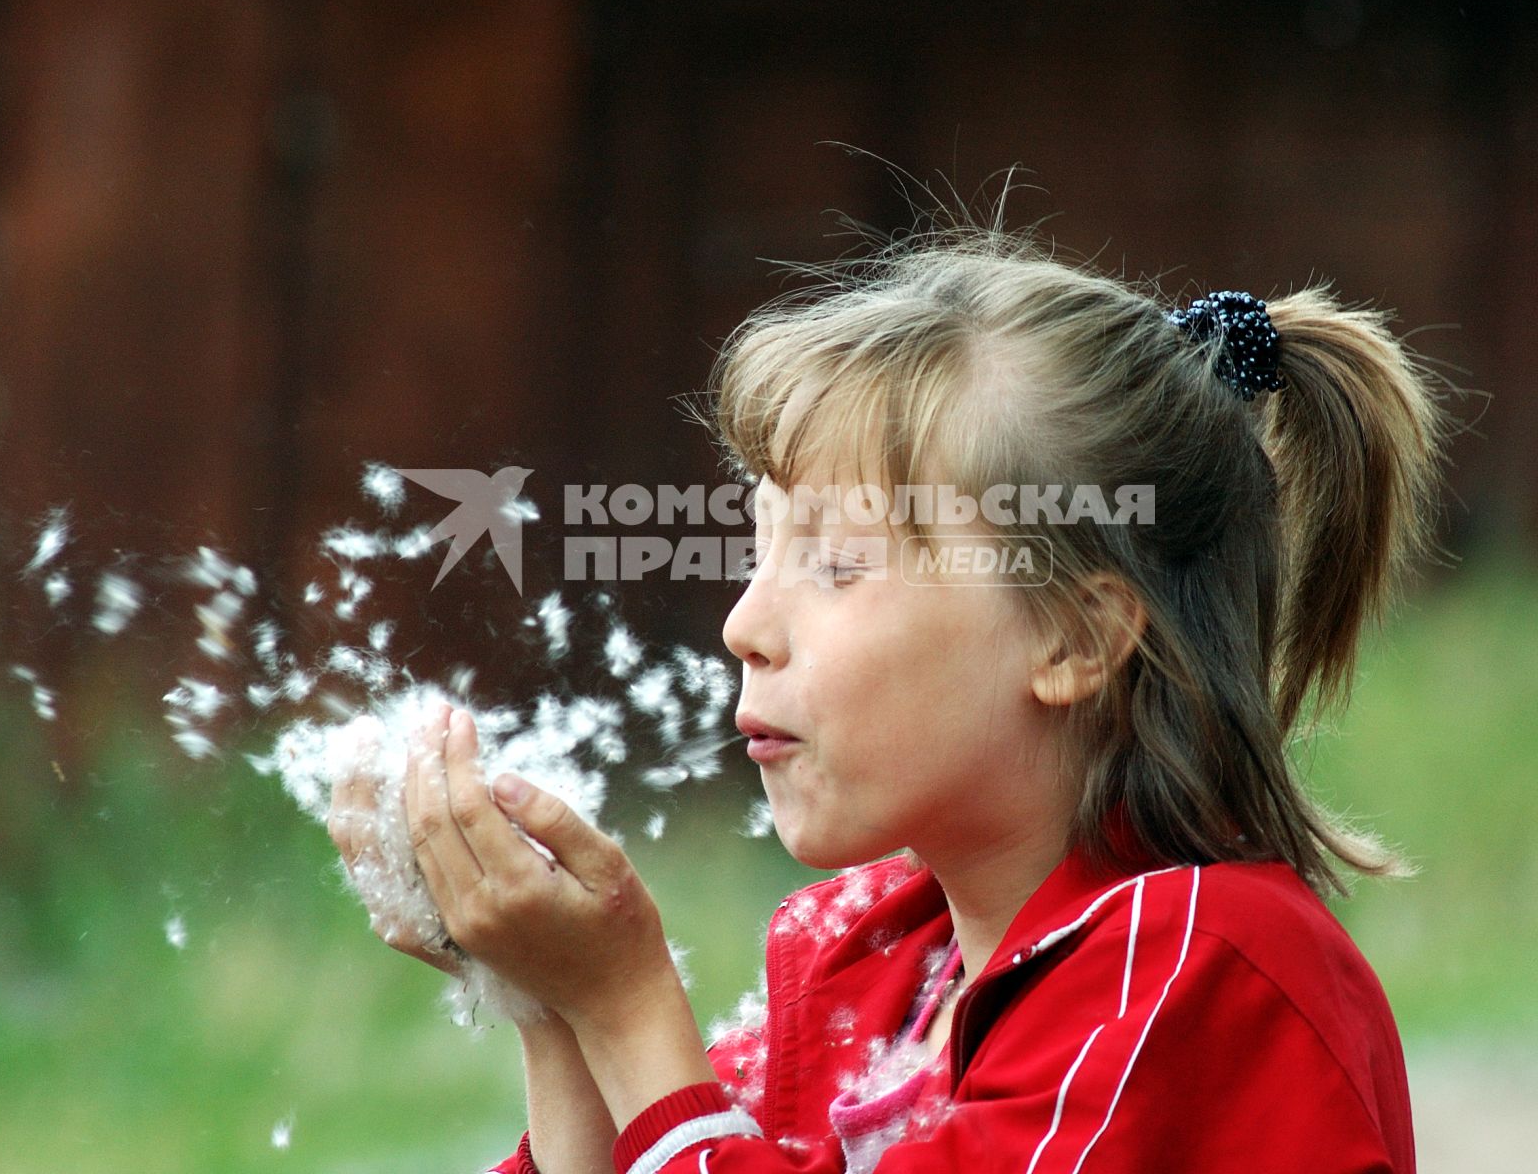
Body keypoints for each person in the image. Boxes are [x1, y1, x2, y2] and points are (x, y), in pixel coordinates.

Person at [329, 221, 1453, 1174]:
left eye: (836, 563)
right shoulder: (861, 960)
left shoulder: (1198, 971)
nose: (743, 624)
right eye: (757, 551)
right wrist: (554, 1008)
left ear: (1075, 633)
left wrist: (629, 1009)